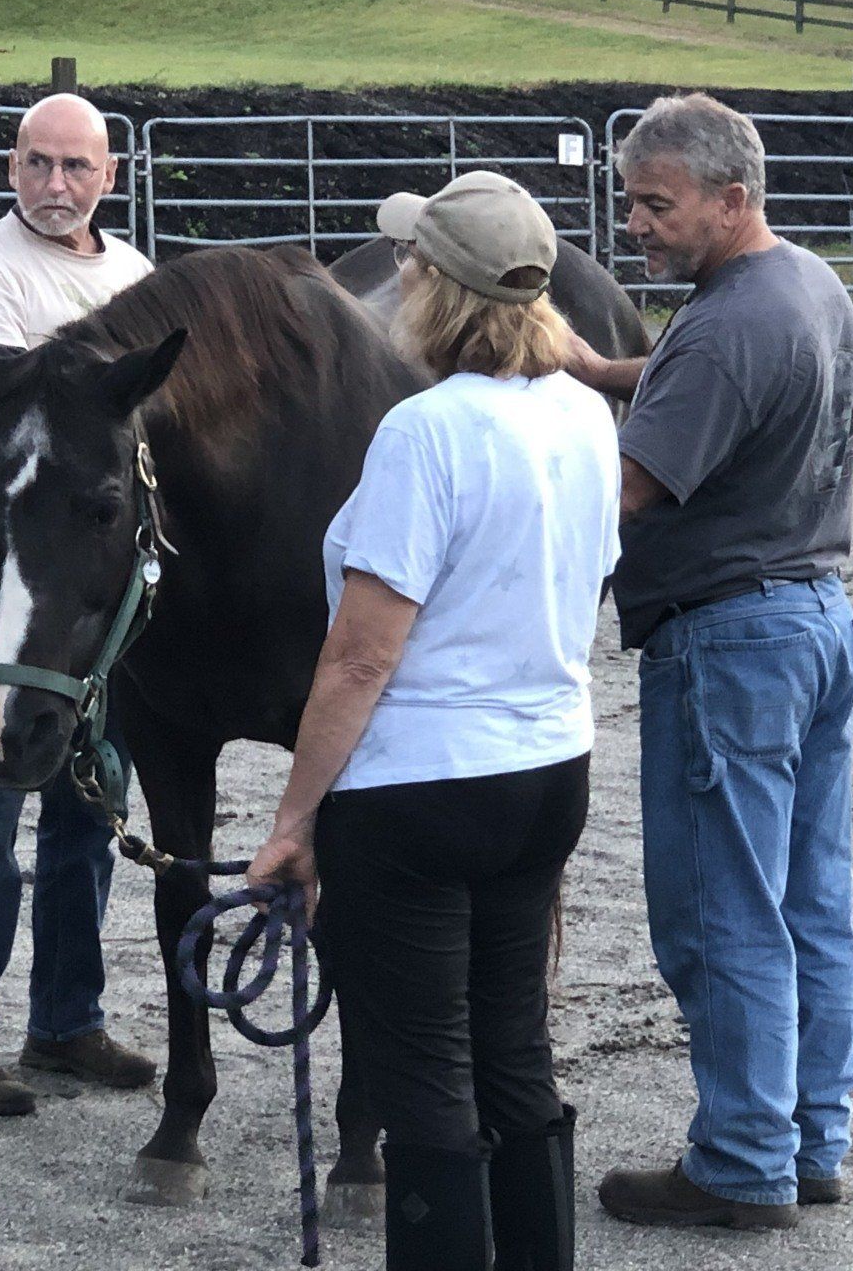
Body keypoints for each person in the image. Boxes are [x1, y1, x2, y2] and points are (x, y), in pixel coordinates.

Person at [249, 171, 621, 1270]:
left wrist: (293, 818)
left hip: (421, 787)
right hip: (549, 767)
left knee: (425, 1071)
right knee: (515, 1045)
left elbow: (363, 654)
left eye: (407, 262)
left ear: (429, 284)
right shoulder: (583, 416)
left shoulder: (424, 430)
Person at [562, 93, 853, 1231]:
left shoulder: (731, 325)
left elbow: (623, 497)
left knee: (720, 911)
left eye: (658, 203)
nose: (634, 223)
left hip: (727, 641)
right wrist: (600, 367)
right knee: (807, 901)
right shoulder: (802, 287)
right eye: (630, 199)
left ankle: (741, 1163)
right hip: (814, 619)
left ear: (732, 200)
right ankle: (807, 1138)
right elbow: (705, 388)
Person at [0, 94, 158, 1115]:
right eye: (39, 165)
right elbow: (36, 400)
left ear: (111, 173)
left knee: (91, 801)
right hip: (4, 576)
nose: (56, 187)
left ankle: (65, 1020)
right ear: (11, 167)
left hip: (98, 584)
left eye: (77, 168)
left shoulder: (139, 277)